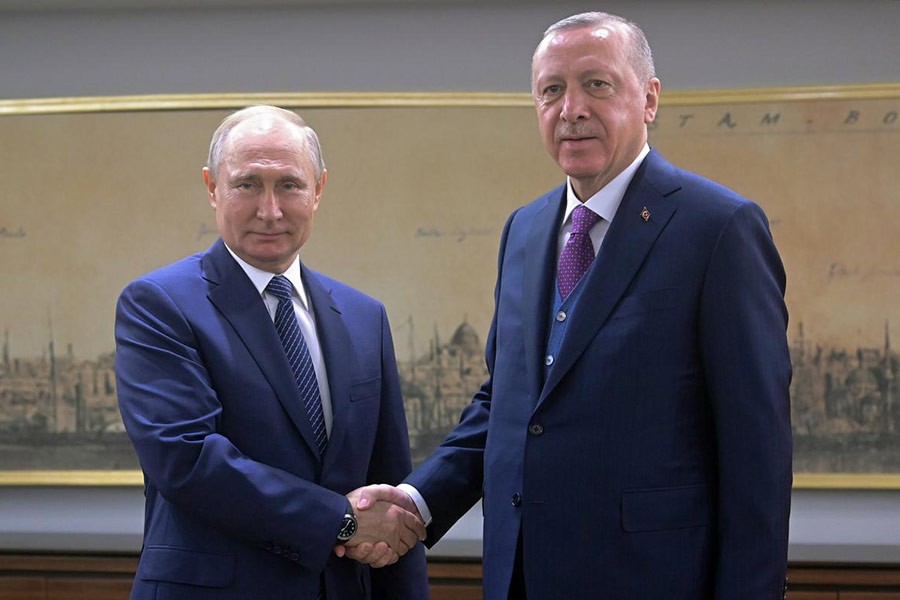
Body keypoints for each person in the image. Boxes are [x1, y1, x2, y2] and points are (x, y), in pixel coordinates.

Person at [351, 11, 793, 600]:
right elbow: (508, 403)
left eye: (597, 84)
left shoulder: (718, 229)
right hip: (519, 579)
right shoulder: (526, 230)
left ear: (650, 98)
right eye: (551, 90)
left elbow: (757, 450)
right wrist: (417, 500)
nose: (572, 109)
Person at [115, 105, 429, 600]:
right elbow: (187, 460)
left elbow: (388, 491)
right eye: (247, 184)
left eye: (289, 185)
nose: (270, 210)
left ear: (319, 189)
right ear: (212, 187)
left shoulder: (365, 316)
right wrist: (342, 521)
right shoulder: (159, 303)